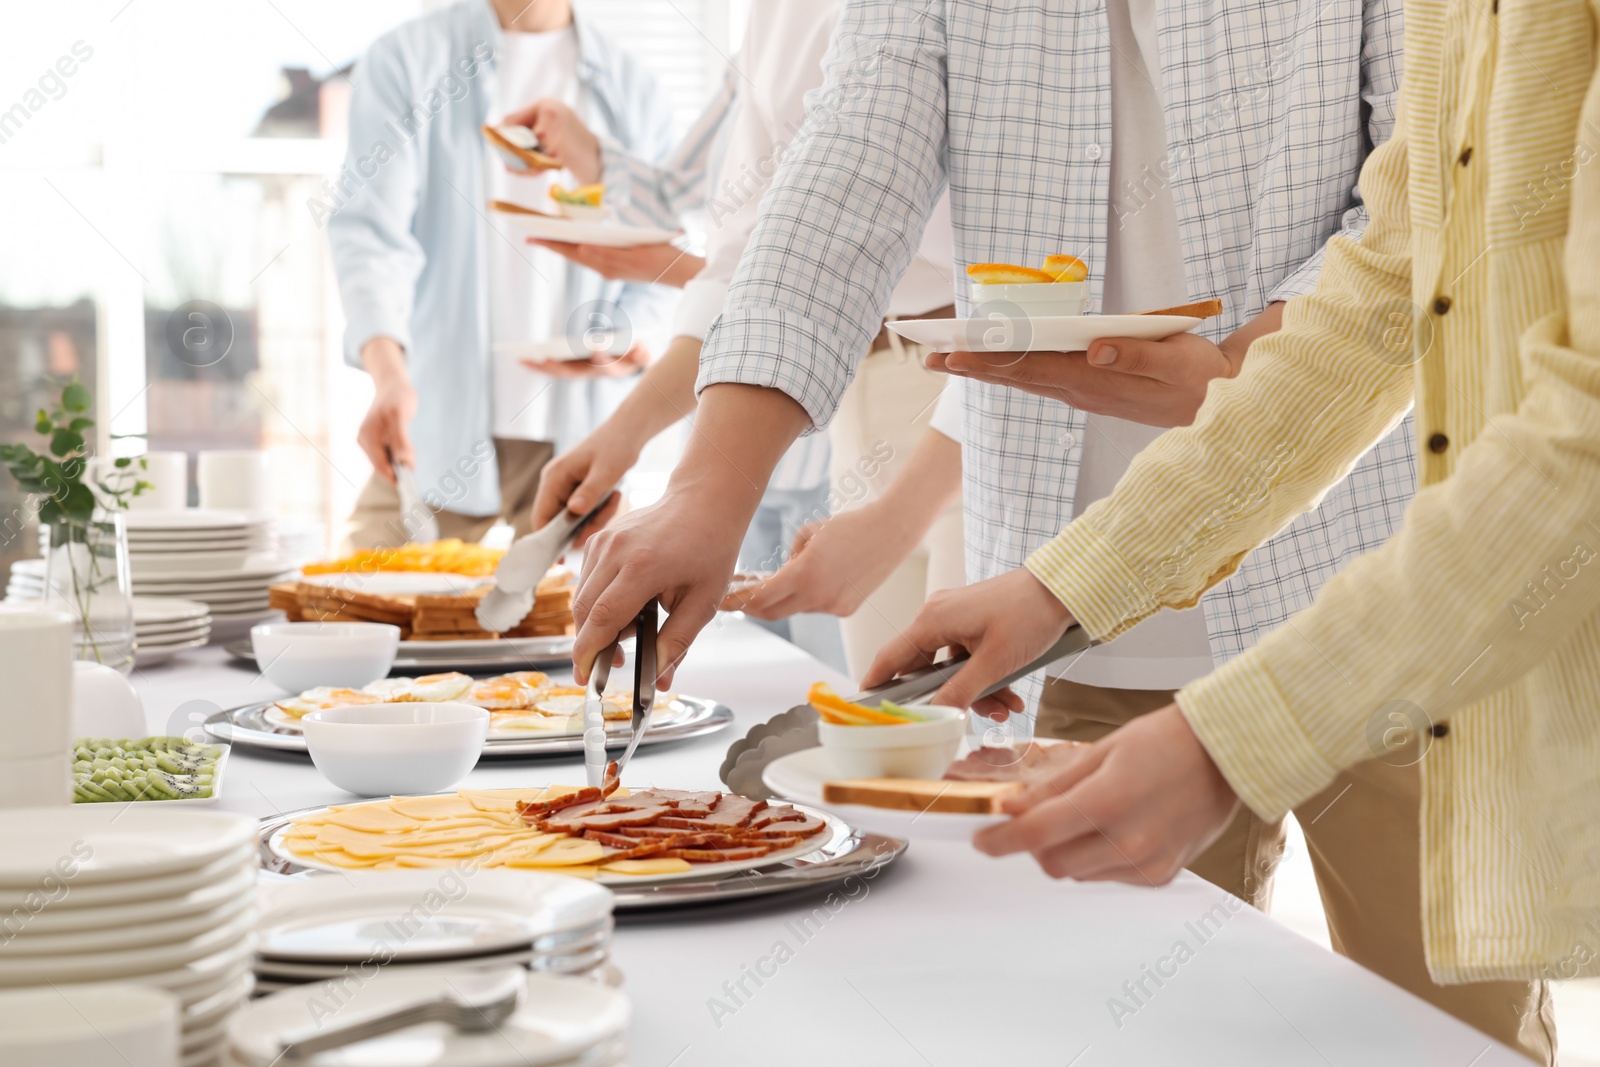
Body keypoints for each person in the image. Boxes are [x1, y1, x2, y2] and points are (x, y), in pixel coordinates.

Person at [561, 1, 1565, 1059]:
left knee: (1458, 1032)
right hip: (1076, 616)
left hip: (1374, 598)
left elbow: (1413, 239)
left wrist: (1236, 369)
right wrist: (706, 490)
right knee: (1123, 1030)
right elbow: (837, 182)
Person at [527, 0, 964, 676]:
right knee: (891, 717)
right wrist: (624, 435)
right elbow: (747, 264)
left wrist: (899, 515)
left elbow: (1038, 295)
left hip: (983, 386)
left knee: (988, 730)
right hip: (861, 386)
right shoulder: (773, 16)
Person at [327, 0, 675, 549]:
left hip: (576, 432)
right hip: (436, 421)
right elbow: (372, 236)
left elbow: (663, 251)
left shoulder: (634, 88)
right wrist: (388, 374)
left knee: (578, 627)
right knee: (361, 609)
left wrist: (628, 338)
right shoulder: (407, 59)